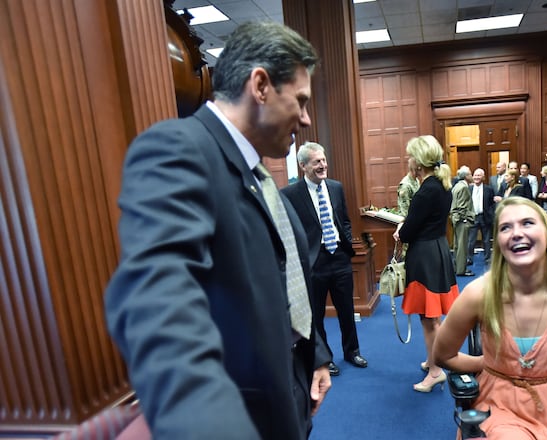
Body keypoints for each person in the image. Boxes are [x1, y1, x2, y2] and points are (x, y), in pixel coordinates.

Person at [104, 21, 331, 439]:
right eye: (299, 101)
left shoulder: (258, 172)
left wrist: (314, 355)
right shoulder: (178, 149)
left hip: (290, 390)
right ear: (260, 85)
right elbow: (157, 302)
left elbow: (285, 278)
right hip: (238, 413)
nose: (305, 118)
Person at [433, 197, 547, 440]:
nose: (516, 233)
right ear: (498, 242)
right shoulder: (478, 294)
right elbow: (443, 355)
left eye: (527, 223)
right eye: (505, 227)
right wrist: (489, 363)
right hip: (499, 407)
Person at [281, 142, 368, 377]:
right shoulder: (290, 194)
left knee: (347, 309)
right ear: (303, 166)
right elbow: (288, 229)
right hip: (314, 261)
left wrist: (347, 241)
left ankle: (352, 351)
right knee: (316, 314)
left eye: (324, 160)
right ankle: (324, 357)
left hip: (339, 256)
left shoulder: (336, 187)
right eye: (317, 162)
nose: (323, 165)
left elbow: (345, 219)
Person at [393, 135, 459, 393]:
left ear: (419, 162)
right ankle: (434, 360)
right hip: (438, 250)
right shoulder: (442, 185)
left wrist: (400, 230)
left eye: (411, 156)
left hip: (424, 255)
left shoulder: (425, 191)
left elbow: (408, 232)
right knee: (433, 318)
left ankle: (435, 371)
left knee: (428, 319)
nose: (408, 160)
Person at [451, 166, 476, 277]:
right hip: (462, 220)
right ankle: (461, 270)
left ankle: (458, 268)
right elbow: (462, 207)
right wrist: (465, 219)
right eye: (470, 174)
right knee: (462, 246)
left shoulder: (457, 186)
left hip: (456, 219)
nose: (472, 176)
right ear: (466, 176)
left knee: (457, 245)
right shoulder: (463, 188)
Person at [468, 168, 496, 265]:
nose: (476, 177)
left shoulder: (489, 189)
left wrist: (491, 214)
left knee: (486, 240)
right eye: (475, 175)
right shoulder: (469, 188)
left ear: (483, 177)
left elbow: (493, 204)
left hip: (485, 217)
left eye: (479, 175)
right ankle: (469, 258)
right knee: (471, 240)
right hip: (473, 217)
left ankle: (487, 259)